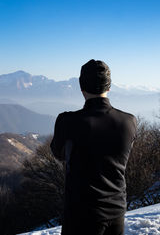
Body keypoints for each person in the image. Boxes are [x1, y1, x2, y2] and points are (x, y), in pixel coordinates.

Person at [50, 59, 137, 235]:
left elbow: (59, 154)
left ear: (81, 88)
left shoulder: (68, 122)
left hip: (82, 214)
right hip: (117, 210)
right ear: (109, 87)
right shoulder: (129, 121)